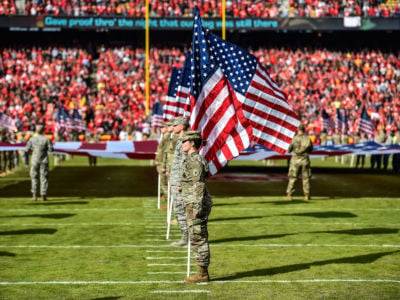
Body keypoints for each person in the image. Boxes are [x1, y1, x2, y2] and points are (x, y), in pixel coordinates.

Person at [179, 130, 212, 283]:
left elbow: (198, 184)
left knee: (198, 238)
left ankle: (202, 274)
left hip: (195, 203)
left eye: (184, 141)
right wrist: (183, 186)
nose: (182, 144)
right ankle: (202, 271)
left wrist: (196, 206)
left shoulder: (194, 160)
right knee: (197, 236)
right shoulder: (193, 159)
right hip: (193, 201)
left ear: (192, 143)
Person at [169, 116, 189, 247]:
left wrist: (181, 182)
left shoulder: (185, 141)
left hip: (180, 182)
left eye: (175, 125)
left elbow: (185, 163)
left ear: (182, 126)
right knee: (179, 210)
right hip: (176, 181)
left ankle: (186, 238)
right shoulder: (180, 140)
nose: (173, 127)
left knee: (181, 210)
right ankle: (186, 236)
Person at [25, 125, 54, 201]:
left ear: (36, 130)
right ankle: (43, 195)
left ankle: (34, 195)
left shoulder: (32, 139)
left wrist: (33, 152)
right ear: (43, 130)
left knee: (34, 177)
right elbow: (51, 149)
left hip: (34, 160)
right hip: (44, 160)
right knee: (44, 177)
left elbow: (26, 149)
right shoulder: (47, 139)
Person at [285, 123, 313, 201]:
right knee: (306, 178)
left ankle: (289, 195)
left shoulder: (293, 139)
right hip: (305, 160)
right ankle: (307, 195)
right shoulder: (307, 139)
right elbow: (310, 150)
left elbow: (289, 150)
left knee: (293, 178)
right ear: (304, 130)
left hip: (295, 161)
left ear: (297, 130)